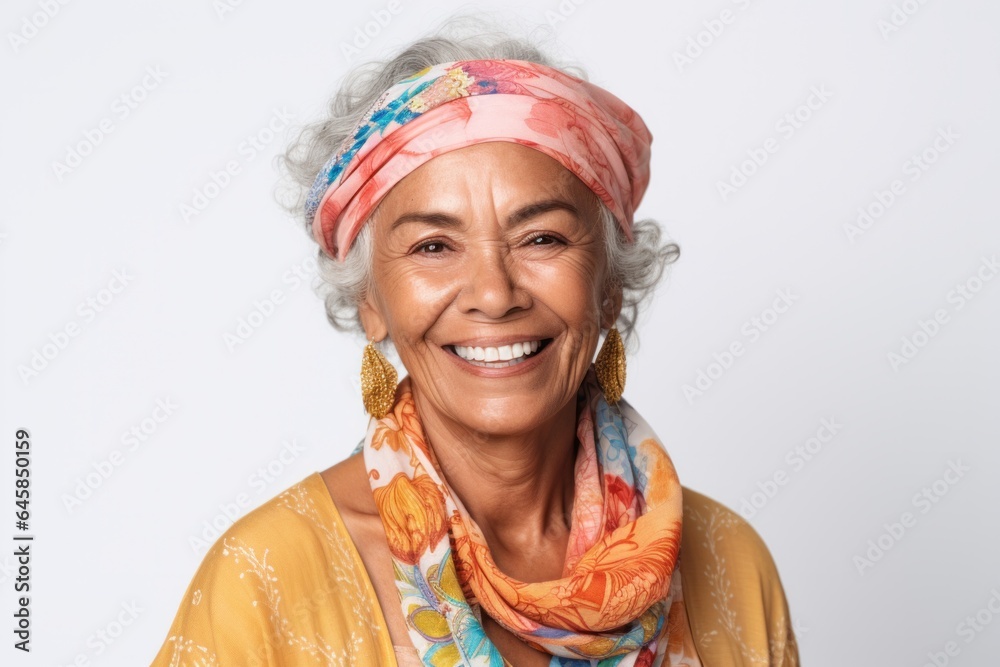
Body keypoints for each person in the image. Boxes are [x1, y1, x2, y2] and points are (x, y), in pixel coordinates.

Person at [151, 19, 799, 667]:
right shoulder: (266, 580)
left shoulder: (729, 561)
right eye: (434, 246)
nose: (494, 293)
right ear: (369, 301)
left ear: (609, 285)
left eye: (541, 237)